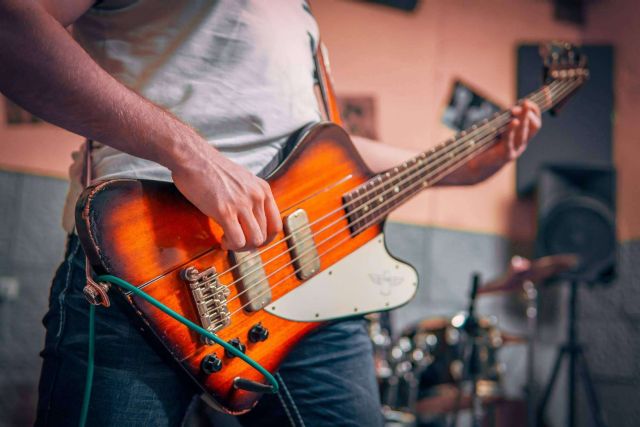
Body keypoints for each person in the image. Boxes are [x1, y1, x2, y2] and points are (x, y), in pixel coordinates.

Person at [0, 1, 541, 426]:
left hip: (311, 289)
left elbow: (328, 153)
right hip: (151, 262)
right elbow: (14, 23)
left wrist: (466, 168)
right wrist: (190, 155)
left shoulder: (300, 17)